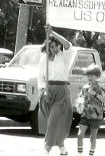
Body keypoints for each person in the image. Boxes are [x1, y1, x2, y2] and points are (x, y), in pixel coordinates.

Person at [37, 24, 73, 156]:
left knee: (54, 121)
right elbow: (40, 76)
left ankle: (46, 150)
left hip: (61, 91)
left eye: (56, 46)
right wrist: (43, 91)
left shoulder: (65, 56)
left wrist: (53, 33)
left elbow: (68, 44)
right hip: (48, 91)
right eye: (51, 47)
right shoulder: (43, 59)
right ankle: (62, 149)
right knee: (52, 121)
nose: (54, 49)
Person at [77, 64, 105, 156]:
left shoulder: (100, 88)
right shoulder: (85, 87)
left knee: (93, 137)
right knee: (80, 135)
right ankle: (80, 154)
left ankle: (91, 154)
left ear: (97, 77)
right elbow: (80, 98)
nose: (90, 77)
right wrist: (79, 103)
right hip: (85, 115)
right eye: (88, 75)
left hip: (96, 116)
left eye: (92, 75)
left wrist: (94, 93)